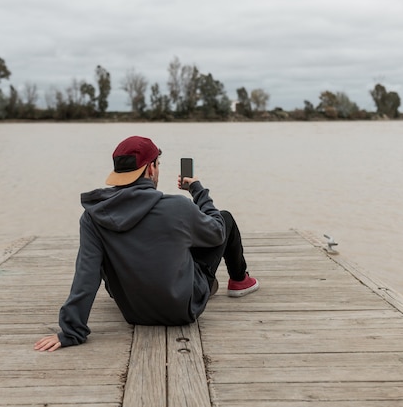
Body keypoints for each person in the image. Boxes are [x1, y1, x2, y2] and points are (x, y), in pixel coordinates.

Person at [34, 136, 259, 351]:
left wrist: (71, 331)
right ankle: (240, 281)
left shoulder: (94, 216)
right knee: (223, 218)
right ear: (150, 168)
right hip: (184, 309)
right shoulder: (179, 207)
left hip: (133, 312)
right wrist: (198, 190)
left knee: (116, 249)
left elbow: (87, 274)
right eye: (158, 164)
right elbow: (218, 232)